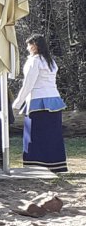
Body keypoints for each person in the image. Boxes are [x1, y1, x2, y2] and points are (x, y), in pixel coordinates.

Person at [11, 34, 67, 173]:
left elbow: (28, 84)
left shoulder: (34, 61)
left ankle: (35, 164)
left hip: (37, 102)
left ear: (35, 45)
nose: (27, 47)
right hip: (54, 101)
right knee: (52, 135)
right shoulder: (51, 61)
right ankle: (55, 164)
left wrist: (17, 103)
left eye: (29, 44)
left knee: (34, 135)